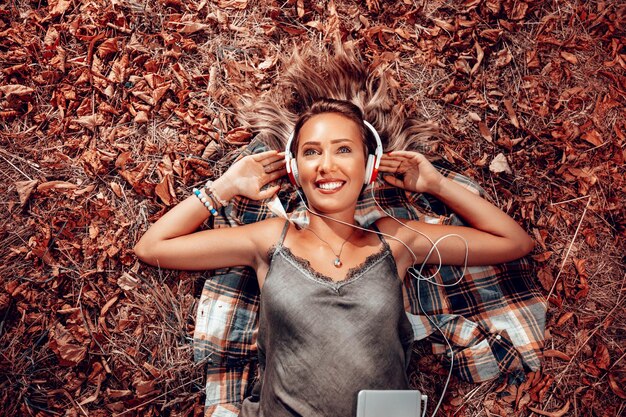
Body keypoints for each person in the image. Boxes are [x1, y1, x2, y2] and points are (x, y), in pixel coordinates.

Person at [134, 98, 534, 417]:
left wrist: (437, 184)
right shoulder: (270, 239)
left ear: (369, 166)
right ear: (295, 169)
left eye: (344, 149)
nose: (327, 165)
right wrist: (225, 186)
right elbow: (152, 248)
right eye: (311, 152)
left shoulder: (396, 241)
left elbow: (513, 242)